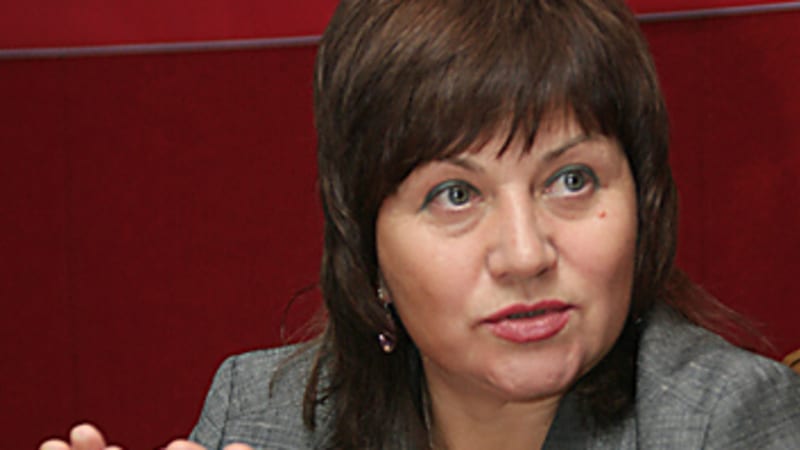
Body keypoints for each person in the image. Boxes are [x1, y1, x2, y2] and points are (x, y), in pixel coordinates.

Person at [41, 0, 800, 449]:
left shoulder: (722, 422)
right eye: (455, 195)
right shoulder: (265, 416)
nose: (525, 254)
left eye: (571, 181)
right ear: (364, 241)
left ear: (647, 201)